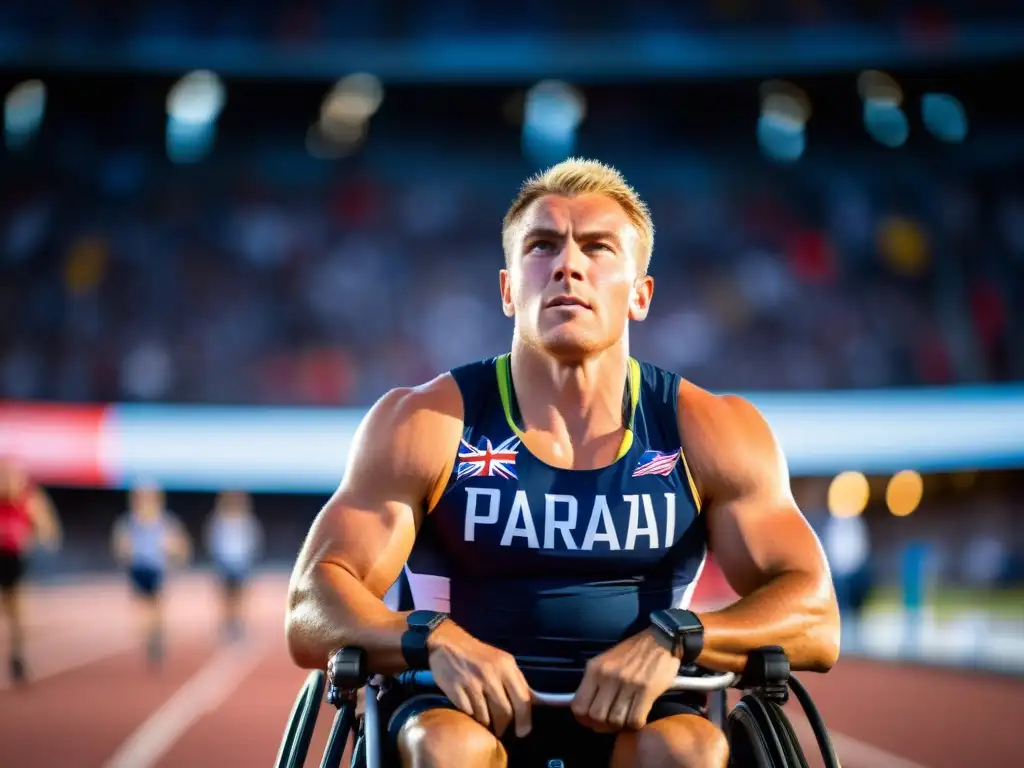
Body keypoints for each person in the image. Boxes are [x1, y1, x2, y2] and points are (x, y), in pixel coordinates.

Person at [285, 158, 841, 768]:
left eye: (598, 248)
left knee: (691, 750)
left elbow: (816, 619)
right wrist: (430, 637)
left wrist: (684, 635)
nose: (568, 265)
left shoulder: (710, 429)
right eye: (542, 246)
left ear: (640, 295)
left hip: (643, 715)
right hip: (457, 710)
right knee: (445, 749)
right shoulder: (423, 423)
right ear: (507, 290)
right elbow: (311, 606)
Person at [111, 481, 192, 668]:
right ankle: (150, 637)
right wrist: (123, 554)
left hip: (157, 568)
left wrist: (177, 555)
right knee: (142, 608)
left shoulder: (165, 521)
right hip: (138, 568)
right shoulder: (129, 521)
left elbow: (180, 543)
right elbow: (120, 543)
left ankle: (156, 638)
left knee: (157, 607)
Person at [0, 458, 61, 685]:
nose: (7, 481)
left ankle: (18, 657)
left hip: (14, 560)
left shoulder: (28, 499)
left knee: (17, 615)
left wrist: (44, 536)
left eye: (11, 476)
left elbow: (45, 523)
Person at [203, 490, 263, 641]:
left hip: (242, 563)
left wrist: (250, 559)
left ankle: (239, 624)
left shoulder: (247, 521)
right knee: (226, 597)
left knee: (240, 596)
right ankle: (226, 624)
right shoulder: (218, 520)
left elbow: (254, 540)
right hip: (224, 563)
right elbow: (212, 540)